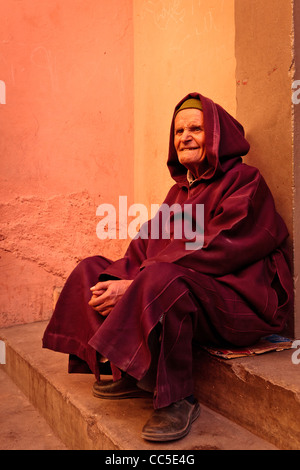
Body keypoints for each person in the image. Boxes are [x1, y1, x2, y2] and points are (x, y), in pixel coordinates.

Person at [43, 92, 293, 442]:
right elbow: (147, 246)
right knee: (93, 270)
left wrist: (137, 286)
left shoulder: (245, 181)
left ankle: (178, 398)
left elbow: (222, 246)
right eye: (178, 132)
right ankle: (129, 370)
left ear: (218, 136)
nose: (185, 137)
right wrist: (122, 278)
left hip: (240, 305)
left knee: (161, 279)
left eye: (195, 129)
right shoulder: (180, 192)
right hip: (187, 290)